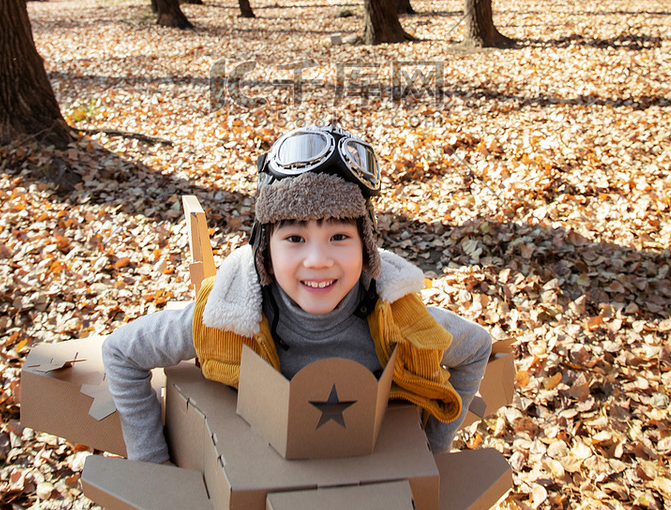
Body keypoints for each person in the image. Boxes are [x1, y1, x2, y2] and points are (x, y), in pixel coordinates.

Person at [102, 124, 492, 463]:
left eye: (339, 237)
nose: (318, 260)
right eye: (294, 238)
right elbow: (121, 352)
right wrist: (152, 461)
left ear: (367, 248)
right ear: (265, 251)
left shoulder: (399, 320)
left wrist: (433, 450)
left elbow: (476, 348)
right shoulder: (227, 315)